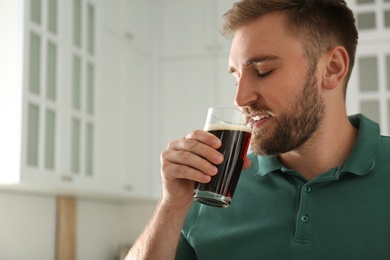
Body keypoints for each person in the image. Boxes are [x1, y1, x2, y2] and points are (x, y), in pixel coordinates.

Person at [127, 0, 390, 259]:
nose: (240, 99)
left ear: (332, 69)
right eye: (236, 77)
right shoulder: (211, 188)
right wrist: (170, 207)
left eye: (263, 71)